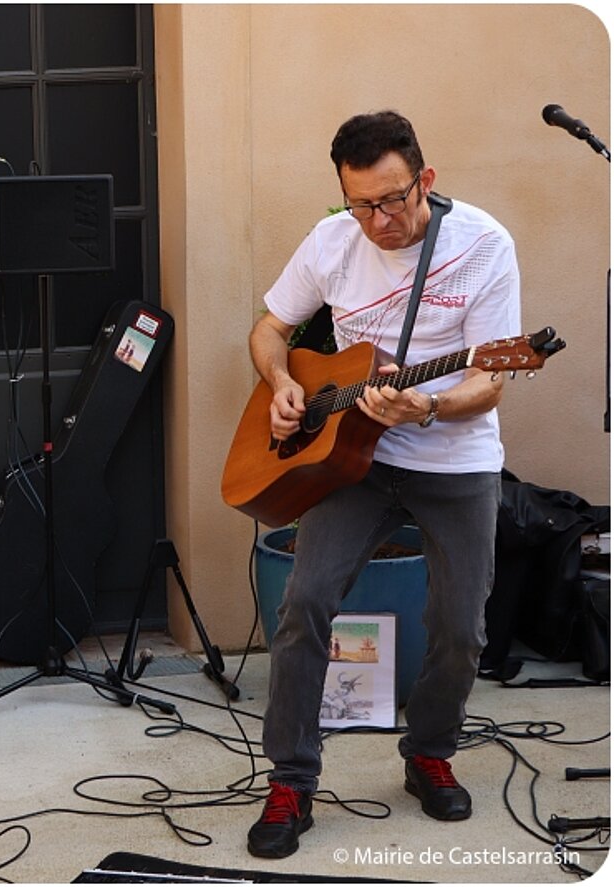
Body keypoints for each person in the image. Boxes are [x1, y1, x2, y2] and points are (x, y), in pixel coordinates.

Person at [244, 111, 520, 859]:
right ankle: (292, 778)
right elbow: (269, 330)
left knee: (462, 627)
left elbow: (492, 378)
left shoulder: (484, 245)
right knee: (304, 602)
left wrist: (427, 404)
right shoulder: (334, 238)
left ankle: (429, 750)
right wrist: (280, 383)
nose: (379, 220)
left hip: (453, 458)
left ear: (424, 179)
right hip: (349, 458)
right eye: (361, 203)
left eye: (393, 200)